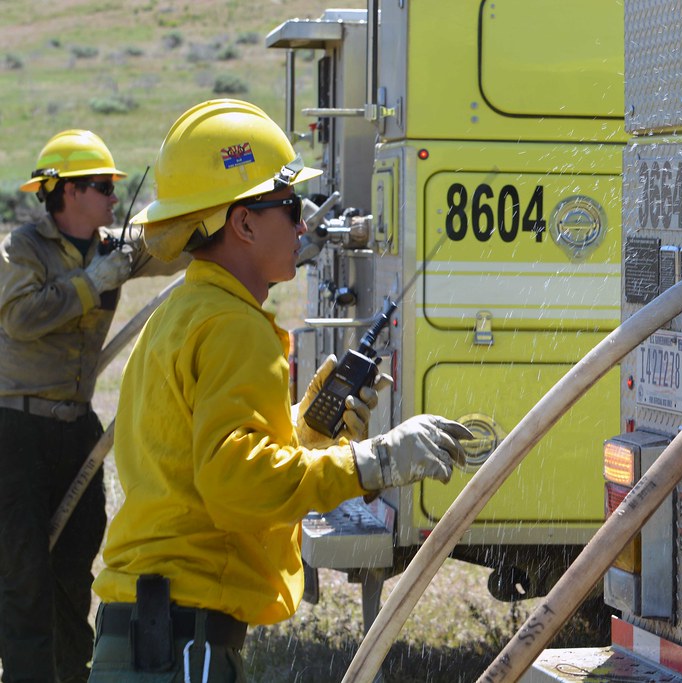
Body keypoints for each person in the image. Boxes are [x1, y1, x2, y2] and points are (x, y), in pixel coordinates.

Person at [88, 99, 472, 682]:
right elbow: (235, 484)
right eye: (290, 206)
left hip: (153, 638)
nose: (303, 224)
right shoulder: (232, 325)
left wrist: (307, 429)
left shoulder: (185, 314)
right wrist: (373, 461)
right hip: (180, 645)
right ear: (243, 224)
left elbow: (200, 464)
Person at [0, 129, 183, 683]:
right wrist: (90, 283)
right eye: (103, 186)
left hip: (75, 429)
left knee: (74, 567)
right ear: (68, 192)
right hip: (16, 432)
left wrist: (252, 228)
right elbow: (20, 318)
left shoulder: (112, 248)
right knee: (25, 575)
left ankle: (71, 674)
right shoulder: (21, 248)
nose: (112, 196)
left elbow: (172, 248)